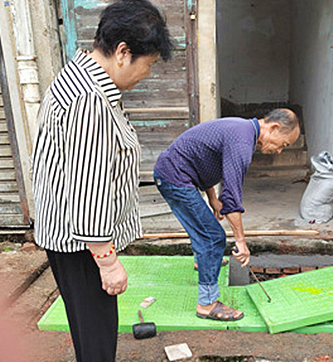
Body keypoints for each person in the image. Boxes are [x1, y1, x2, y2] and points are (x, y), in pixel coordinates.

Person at [32, 1, 172, 361]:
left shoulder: (78, 77)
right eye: (149, 65)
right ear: (123, 52)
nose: (147, 75)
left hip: (71, 238)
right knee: (97, 344)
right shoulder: (91, 101)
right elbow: (87, 188)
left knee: (90, 336)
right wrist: (107, 261)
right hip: (82, 245)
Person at [154, 108, 300, 320]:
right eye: (283, 144)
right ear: (274, 127)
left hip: (177, 173)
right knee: (213, 238)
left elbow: (203, 162)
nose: (279, 151)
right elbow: (232, 198)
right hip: (174, 178)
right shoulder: (242, 141)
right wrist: (241, 241)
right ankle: (207, 304)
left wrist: (213, 198)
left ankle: (202, 262)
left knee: (204, 227)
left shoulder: (241, 130)